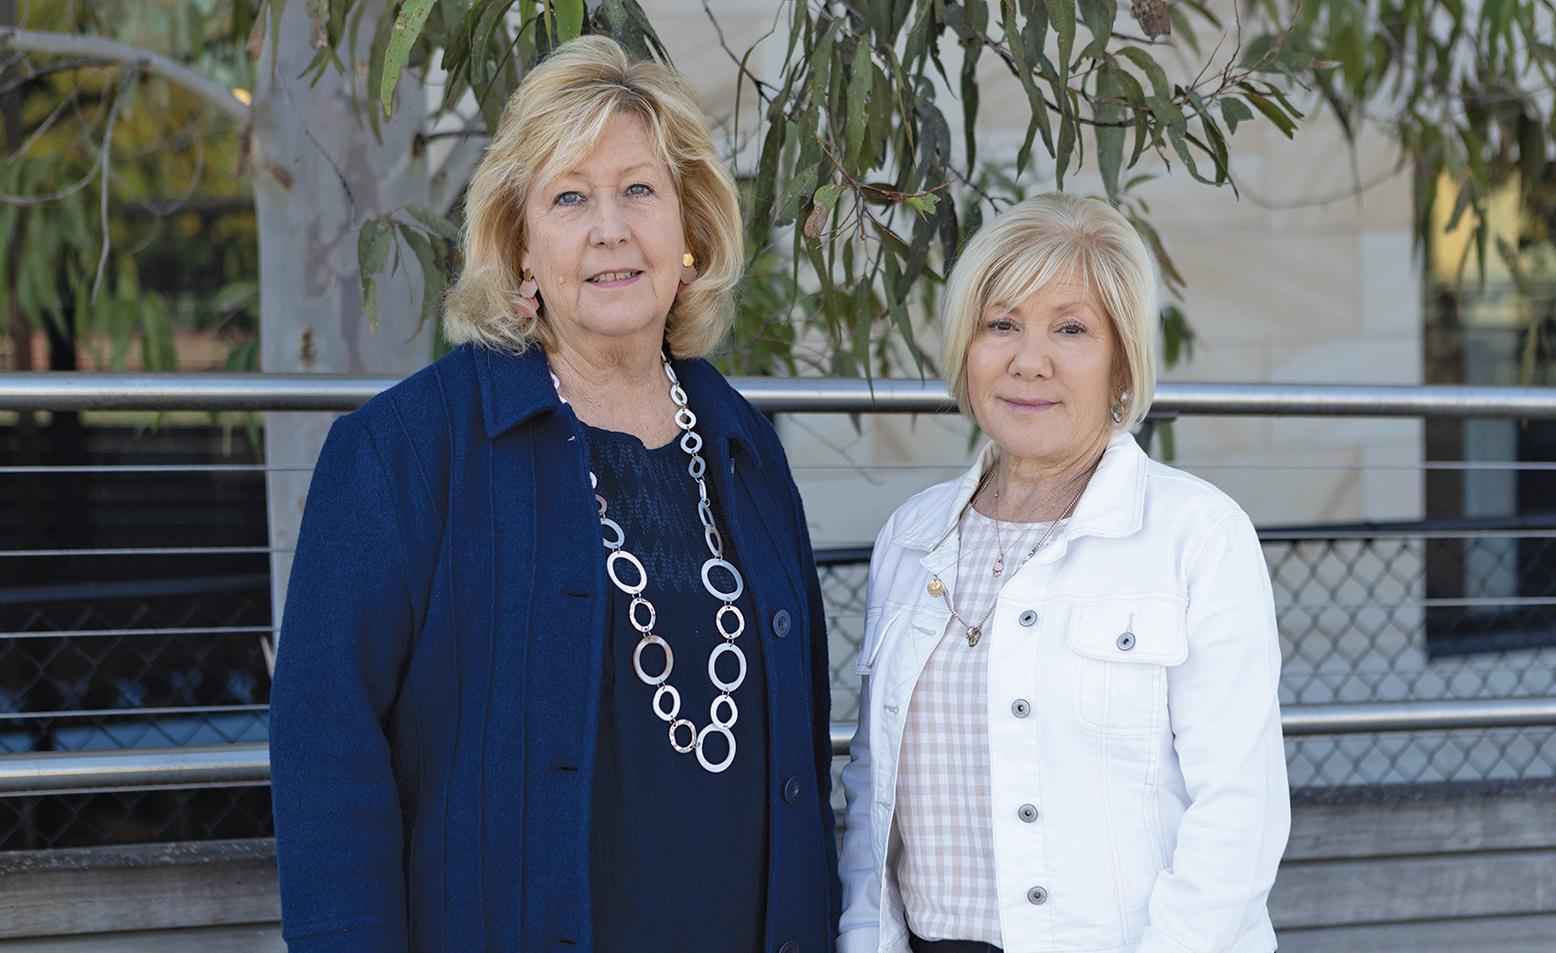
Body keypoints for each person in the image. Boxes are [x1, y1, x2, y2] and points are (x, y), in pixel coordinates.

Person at [269, 36, 838, 953]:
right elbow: (324, 749)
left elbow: (801, 748)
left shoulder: (746, 448)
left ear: (688, 230)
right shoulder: (404, 450)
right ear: (520, 247)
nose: (609, 229)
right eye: (569, 197)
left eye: (639, 190)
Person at [837, 193, 1290, 953]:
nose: (1028, 360)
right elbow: (871, 788)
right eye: (1001, 324)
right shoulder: (909, 539)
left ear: (1121, 361)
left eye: (1071, 329)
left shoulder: (1197, 535)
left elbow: (1239, 811)